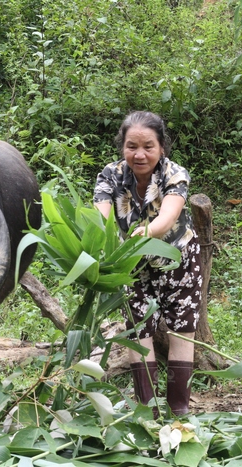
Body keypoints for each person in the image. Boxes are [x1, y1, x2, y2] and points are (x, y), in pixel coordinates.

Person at [93, 110, 203, 416]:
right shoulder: (109, 175)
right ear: (122, 147)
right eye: (131, 146)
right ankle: (147, 412)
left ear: (161, 147)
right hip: (133, 266)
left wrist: (145, 233)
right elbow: (100, 215)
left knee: (182, 331)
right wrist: (101, 241)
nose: (139, 154)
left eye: (148, 147)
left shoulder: (174, 174)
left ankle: (179, 411)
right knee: (137, 332)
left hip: (177, 262)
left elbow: (168, 216)